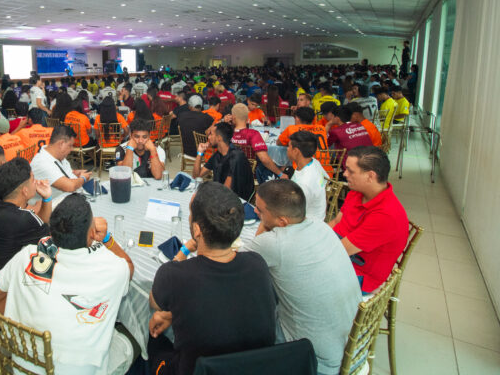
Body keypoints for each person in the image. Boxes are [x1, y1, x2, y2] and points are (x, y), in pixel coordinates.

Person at [0, 193, 135, 375]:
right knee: (130, 342)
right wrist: (107, 238)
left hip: (24, 366)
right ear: (92, 234)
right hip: (81, 370)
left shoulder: (28, 255)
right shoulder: (112, 269)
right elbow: (129, 266)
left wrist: (25, 317)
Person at [148, 182, 276, 374]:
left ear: (197, 230)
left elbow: (154, 303)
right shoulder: (258, 264)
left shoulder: (173, 275)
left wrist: (183, 252)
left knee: (154, 335)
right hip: (254, 367)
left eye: (191, 213)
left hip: (196, 369)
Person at [251, 179, 361, 375]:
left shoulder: (275, 244)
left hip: (316, 360)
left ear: (282, 221)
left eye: (260, 210)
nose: (256, 213)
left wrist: (264, 224)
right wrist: (269, 219)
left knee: (247, 317)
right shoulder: (321, 225)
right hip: (353, 345)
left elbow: (242, 262)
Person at [329, 146, 409, 294]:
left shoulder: (386, 216)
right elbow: (335, 223)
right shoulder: (357, 192)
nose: (345, 174)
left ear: (370, 176)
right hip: (340, 250)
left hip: (357, 272)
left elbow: (339, 251)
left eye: (350, 171)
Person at [0, 157, 51, 293]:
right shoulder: (23, 219)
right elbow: (50, 244)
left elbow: (41, 222)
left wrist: (46, 198)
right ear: (24, 191)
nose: (35, 182)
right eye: (32, 179)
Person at [193, 121, 254, 201]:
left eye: (211, 134)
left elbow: (225, 191)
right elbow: (196, 176)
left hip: (235, 202)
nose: (208, 137)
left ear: (219, 138)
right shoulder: (218, 155)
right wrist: (200, 153)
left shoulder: (236, 157)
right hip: (221, 196)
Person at [30, 125, 91, 203]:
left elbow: (60, 172)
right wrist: (84, 178)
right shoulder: (42, 162)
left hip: (66, 200)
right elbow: (70, 186)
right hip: (53, 207)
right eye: (70, 145)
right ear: (61, 144)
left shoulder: (56, 155)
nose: (72, 149)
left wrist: (75, 173)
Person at [229, 103, 287, 183]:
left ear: (233, 117)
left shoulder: (228, 133)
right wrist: (280, 174)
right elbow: (264, 159)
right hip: (252, 172)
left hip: (233, 170)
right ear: (247, 117)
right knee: (283, 164)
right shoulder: (253, 134)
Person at [286, 131, 330, 222]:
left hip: (307, 223)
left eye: (288, 146)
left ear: (296, 151)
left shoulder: (304, 182)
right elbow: (327, 181)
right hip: (316, 215)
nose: (287, 149)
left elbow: (294, 215)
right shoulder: (314, 162)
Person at [327, 105, 374, 169]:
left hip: (352, 166)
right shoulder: (360, 125)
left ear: (337, 118)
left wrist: (328, 125)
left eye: (332, 116)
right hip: (370, 161)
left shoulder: (336, 131)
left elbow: (324, 144)